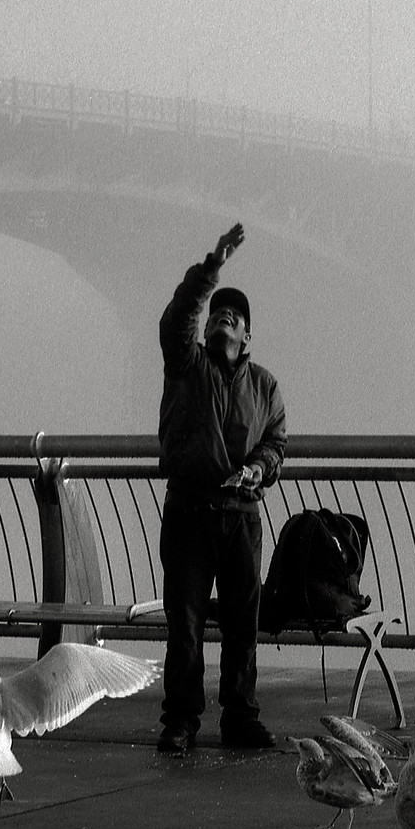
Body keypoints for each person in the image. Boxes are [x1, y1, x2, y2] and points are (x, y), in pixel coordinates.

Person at [155, 221, 286, 754]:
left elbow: (276, 441)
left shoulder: (265, 386)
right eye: (216, 314)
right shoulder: (186, 365)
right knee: (184, 624)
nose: (221, 317)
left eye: (233, 316)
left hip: (241, 517)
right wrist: (213, 267)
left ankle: (240, 717)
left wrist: (257, 470)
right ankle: (182, 721)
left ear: (247, 337)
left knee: (241, 625)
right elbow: (177, 317)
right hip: (189, 510)